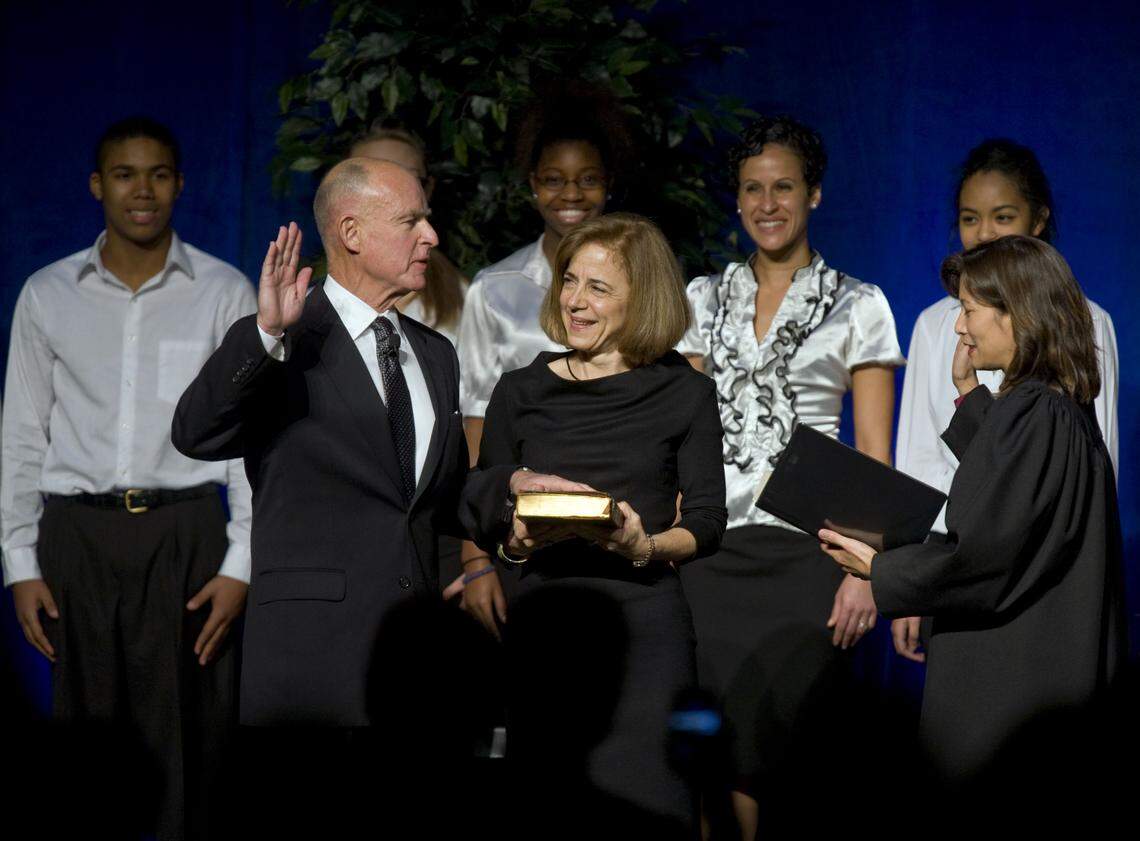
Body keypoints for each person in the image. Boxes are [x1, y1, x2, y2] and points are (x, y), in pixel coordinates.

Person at [171, 158, 557, 726]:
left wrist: (511, 488)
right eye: (411, 221)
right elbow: (196, 433)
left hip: (418, 667)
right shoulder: (286, 338)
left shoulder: (433, 352)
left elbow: (439, 494)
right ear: (352, 233)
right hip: (312, 666)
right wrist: (265, 334)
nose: (432, 236)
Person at [1, 116, 255, 841]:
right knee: (85, 733)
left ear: (179, 184)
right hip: (78, 535)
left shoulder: (222, 291)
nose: (142, 191)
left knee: (191, 733)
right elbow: (22, 432)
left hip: (188, 535)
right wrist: (19, 558)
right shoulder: (49, 294)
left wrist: (242, 561)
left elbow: (247, 438)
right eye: (124, 174)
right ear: (96, 185)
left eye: (158, 174)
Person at [675, 115, 904, 837]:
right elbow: (684, 434)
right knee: (710, 757)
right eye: (751, 189)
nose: (767, 204)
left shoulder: (858, 303)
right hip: (710, 557)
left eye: (783, 187)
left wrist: (867, 569)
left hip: (813, 557)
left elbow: (873, 450)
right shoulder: (702, 297)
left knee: (787, 758)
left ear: (815, 195)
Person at [821, 235, 1126, 778]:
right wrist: (967, 392)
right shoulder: (1055, 409)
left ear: (1018, 314)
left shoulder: (1037, 413)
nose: (959, 327)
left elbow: (988, 551)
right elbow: (1013, 487)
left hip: (1013, 685)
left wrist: (881, 570)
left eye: (968, 310)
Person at [461, 213, 727, 830]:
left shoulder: (684, 392)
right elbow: (485, 506)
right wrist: (514, 542)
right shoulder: (520, 389)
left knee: (654, 804)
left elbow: (710, 523)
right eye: (570, 282)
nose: (575, 301)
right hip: (547, 624)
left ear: (644, 299)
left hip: (646, 625)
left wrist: (645, 545)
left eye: (598, 288)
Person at [892, 138, 1119, 663]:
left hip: (1043, 582)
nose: (984, 233)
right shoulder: (938, 324)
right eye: (970, 218)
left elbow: (1094, 464)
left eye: (1003, 216)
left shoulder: (1087, 324)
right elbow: (923, 460)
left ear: (1037, 220)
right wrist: (911, 576)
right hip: (955, 569)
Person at [456, 84, 632, 634]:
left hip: (624, 528)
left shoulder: (643, 286)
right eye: (554, 179)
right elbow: (474, 434)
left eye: (587, 179)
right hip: (523, 537)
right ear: (533, 186)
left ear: (608, 184)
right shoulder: (494, 290)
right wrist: (474, 557)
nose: (570, 194)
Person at [350, 124, 468, 346]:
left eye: (409, 179)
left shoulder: (465, 298)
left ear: (429, 188)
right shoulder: (307, 306)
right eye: (371, 180)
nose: (393, 194)